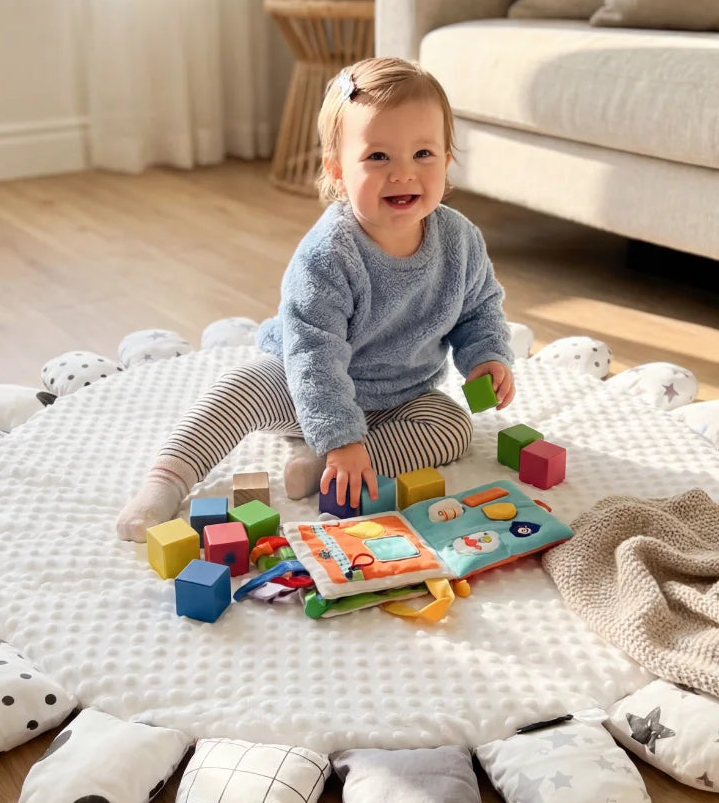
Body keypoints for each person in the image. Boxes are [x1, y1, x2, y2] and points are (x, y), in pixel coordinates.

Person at [116, 56, 515, 541]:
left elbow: (478, 309)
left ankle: (324, 465)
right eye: (379, 157)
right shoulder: (330, 253)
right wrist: (340, 433)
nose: (404, 174)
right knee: (239, 389)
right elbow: (314, 353)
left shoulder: (460, 241)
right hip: (306, 384)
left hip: (398, 397)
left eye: (424, 154)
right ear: (338, 171)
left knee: (450, 426)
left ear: (447, 161)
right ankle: (166, 479)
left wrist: (486, 358)